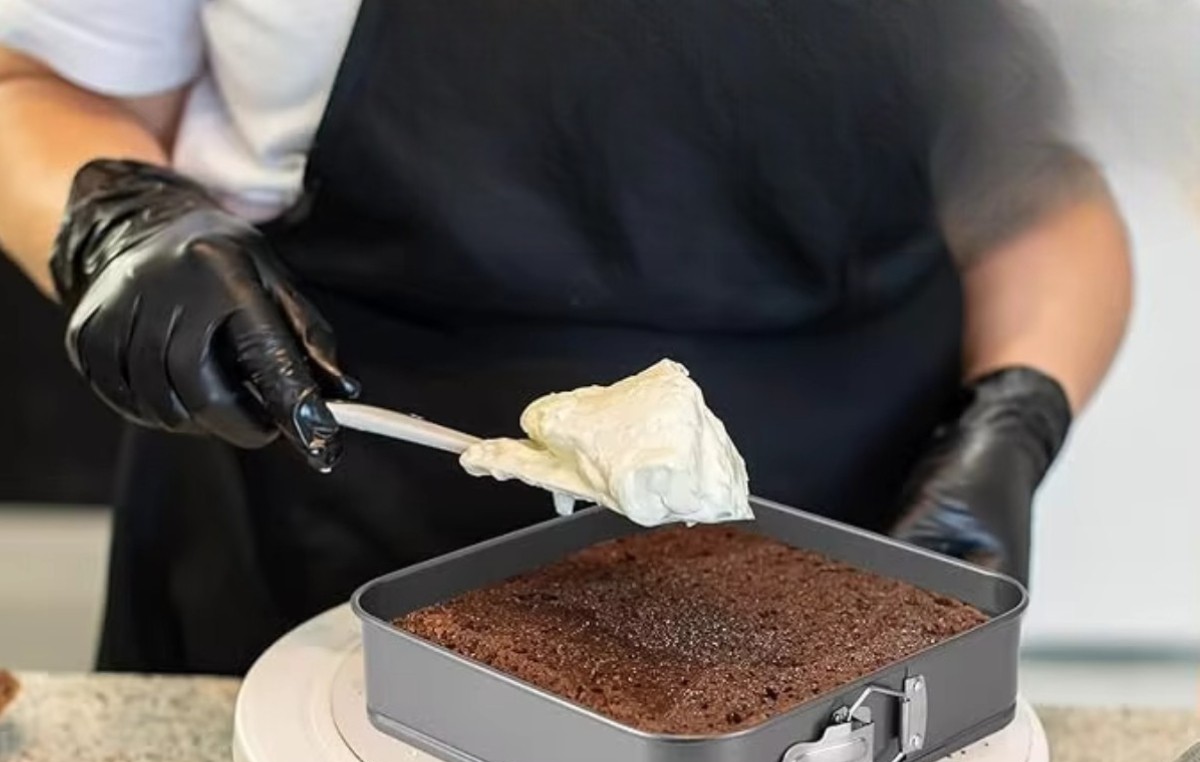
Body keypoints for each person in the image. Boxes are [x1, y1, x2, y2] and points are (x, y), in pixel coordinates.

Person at [0, 0, 1131, 676]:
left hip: (834, 541)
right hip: (326, 498)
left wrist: (1014, 420)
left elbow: (1035, 196)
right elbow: (31, 84)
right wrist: (119, 222)